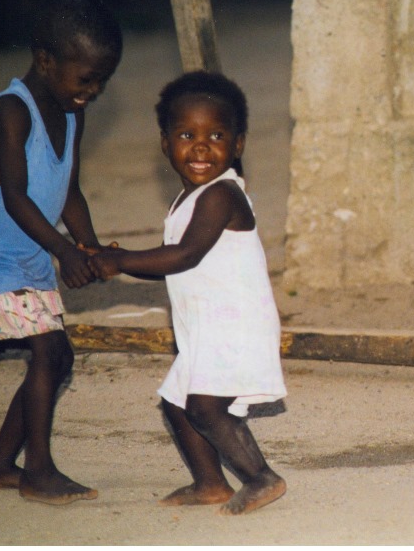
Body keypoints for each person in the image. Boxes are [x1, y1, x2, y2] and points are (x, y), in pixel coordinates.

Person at [0, 0, 122, 505]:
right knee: (49, 350)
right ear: (45, 61)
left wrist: (86, 246)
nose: (94, 91)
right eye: (85, 78)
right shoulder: (10, 113)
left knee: (57, 356)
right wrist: (65, 252)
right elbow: (17, 199)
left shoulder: (71, 111)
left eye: (102, 80)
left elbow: (68, 189)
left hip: (26, 259)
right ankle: (38, 471)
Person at [88, 71, 288, 515]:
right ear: (165, 143)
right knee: (177, 403)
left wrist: (119, 261)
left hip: (235, 325)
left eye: (216, 135)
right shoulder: (188, 200)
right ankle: (210, 482)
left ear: (237, 145)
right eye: (186, 134)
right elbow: (169, 261)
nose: (201, 146)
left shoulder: (222, 197)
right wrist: (119, 258)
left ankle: (261, 477)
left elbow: (183, 256)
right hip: (208, 328)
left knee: (204, 408)